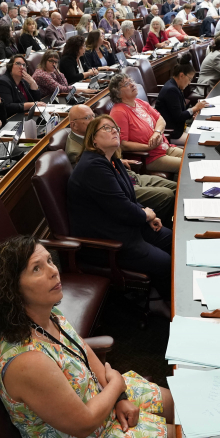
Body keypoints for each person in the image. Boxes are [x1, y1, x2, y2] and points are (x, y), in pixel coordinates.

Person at [0, 235, 172, 438]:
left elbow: (84, 350)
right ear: (13, 289)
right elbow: (84, 423)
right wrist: (115, 383)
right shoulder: (27, 362)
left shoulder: (49, 315)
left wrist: (120, 396)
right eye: (36, 268)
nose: (53, 271)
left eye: (50, 261)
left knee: (175, 403)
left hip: (99, 399)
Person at [67, 116, 175, 300]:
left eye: (115, 127)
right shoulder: (93, 167)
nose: (114, 130)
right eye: (107, 128)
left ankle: (160, 289)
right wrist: (144, 215)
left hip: (126, 227)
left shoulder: (112, 160)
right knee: (165, 263)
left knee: (173, 240)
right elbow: (123, 209)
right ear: (93, 138)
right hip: (108, 240)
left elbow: (127, 198)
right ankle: (164, 304)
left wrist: (147, 214)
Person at [64, 105, 176, 224]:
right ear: (74, 125)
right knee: (167, 195)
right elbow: (97, 177)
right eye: (87, 118)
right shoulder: (75, 152)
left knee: (176, 187)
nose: (93, 120)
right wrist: (146, 216)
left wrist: (120, 162)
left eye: (93, 115)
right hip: (117, 186)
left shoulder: (103, 142)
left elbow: (104, 160)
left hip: (127, 176)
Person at [107, 74, 182, 177]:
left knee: (193, 157)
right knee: (188, 165)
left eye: (131, 81)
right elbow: (122, 144)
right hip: (150, 157)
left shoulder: (139, 102)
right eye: (126, 84)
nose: (132, 85)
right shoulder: (119, 112)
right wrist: (148, 147)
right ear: (118, 94)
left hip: (164, 147)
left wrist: (157, 133)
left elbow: (161, 119)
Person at [155, 55, 208, 140]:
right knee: (199, 140)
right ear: (181, 75)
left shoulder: (176, 86)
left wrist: (192, 113)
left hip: (180, 127)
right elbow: (179, 116)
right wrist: (194, 108)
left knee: (205, 134)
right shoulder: (171, 90)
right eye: (190, 79)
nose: (190, 83)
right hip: (172, 132)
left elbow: (181, 110)